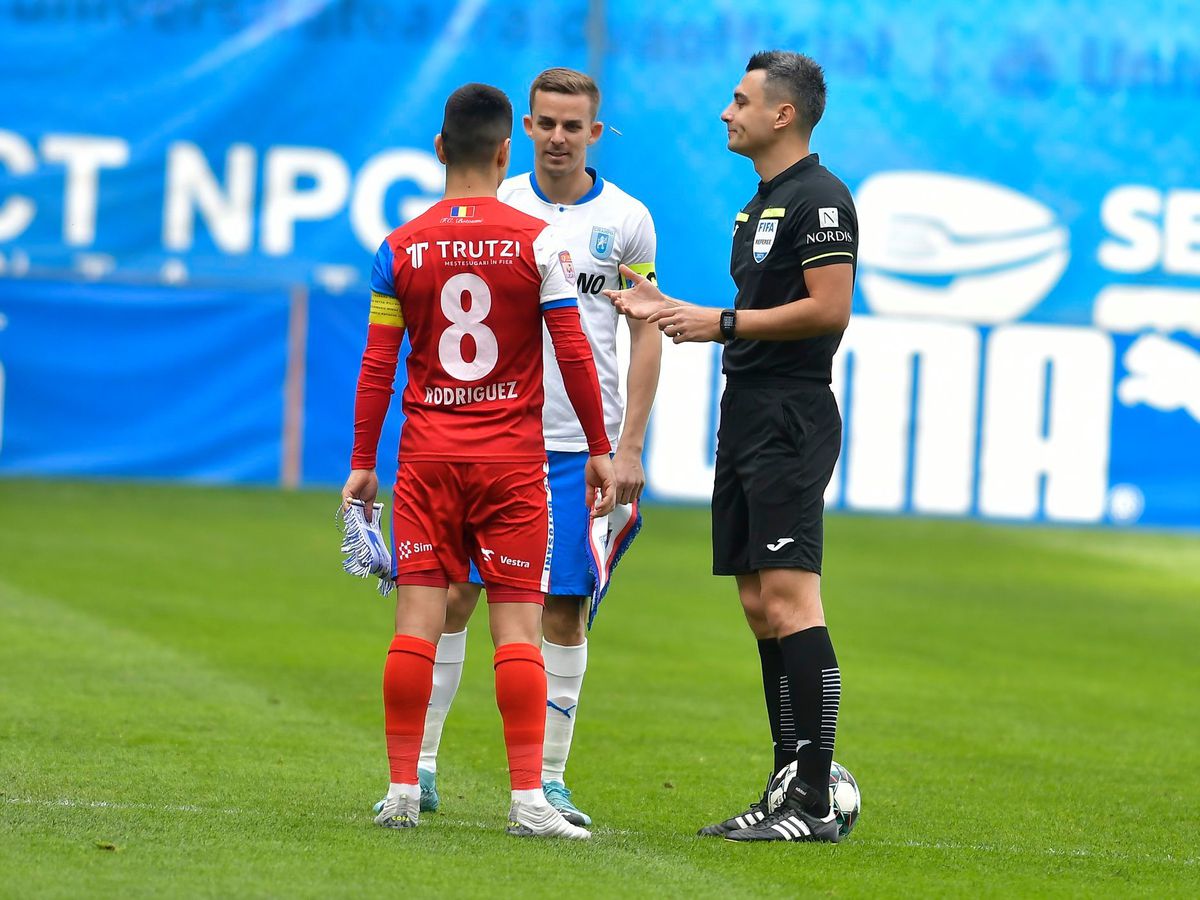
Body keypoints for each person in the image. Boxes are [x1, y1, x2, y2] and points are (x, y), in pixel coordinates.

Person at [342, 82, 616, 840]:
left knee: (415, 627)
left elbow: (376, 365)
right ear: (506, 152)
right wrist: (598, 448)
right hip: (512, 464)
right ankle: (529, 800)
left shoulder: (400, 246)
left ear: (438, 150)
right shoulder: (538, 242)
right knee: (519, 631)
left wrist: (364, 463)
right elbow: (573, 350)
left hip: (427, 459)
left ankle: (402, 787)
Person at [605, 50, 856, 843]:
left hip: (790, 415)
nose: (726, 111)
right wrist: (670, 307)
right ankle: (790, 782)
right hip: (745, 412)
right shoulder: (758, 207)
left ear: (784, 115)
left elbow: (831, 309)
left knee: (791, 600)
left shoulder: (821, 198)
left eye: (741, 100)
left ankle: (813, 798)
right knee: (758, 606)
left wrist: (717, 321)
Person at [410, 67, 661, 827]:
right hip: (492, 436)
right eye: (544, 123)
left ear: (596, 132)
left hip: (577, 453)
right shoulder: (496, 204)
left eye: (572, 125)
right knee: (453, 595)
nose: (557, 137)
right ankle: (420, 766)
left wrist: (629, 445)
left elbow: (646, 328)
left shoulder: (629, 221)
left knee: (564, 609)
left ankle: (549, 779)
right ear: (523, 128)